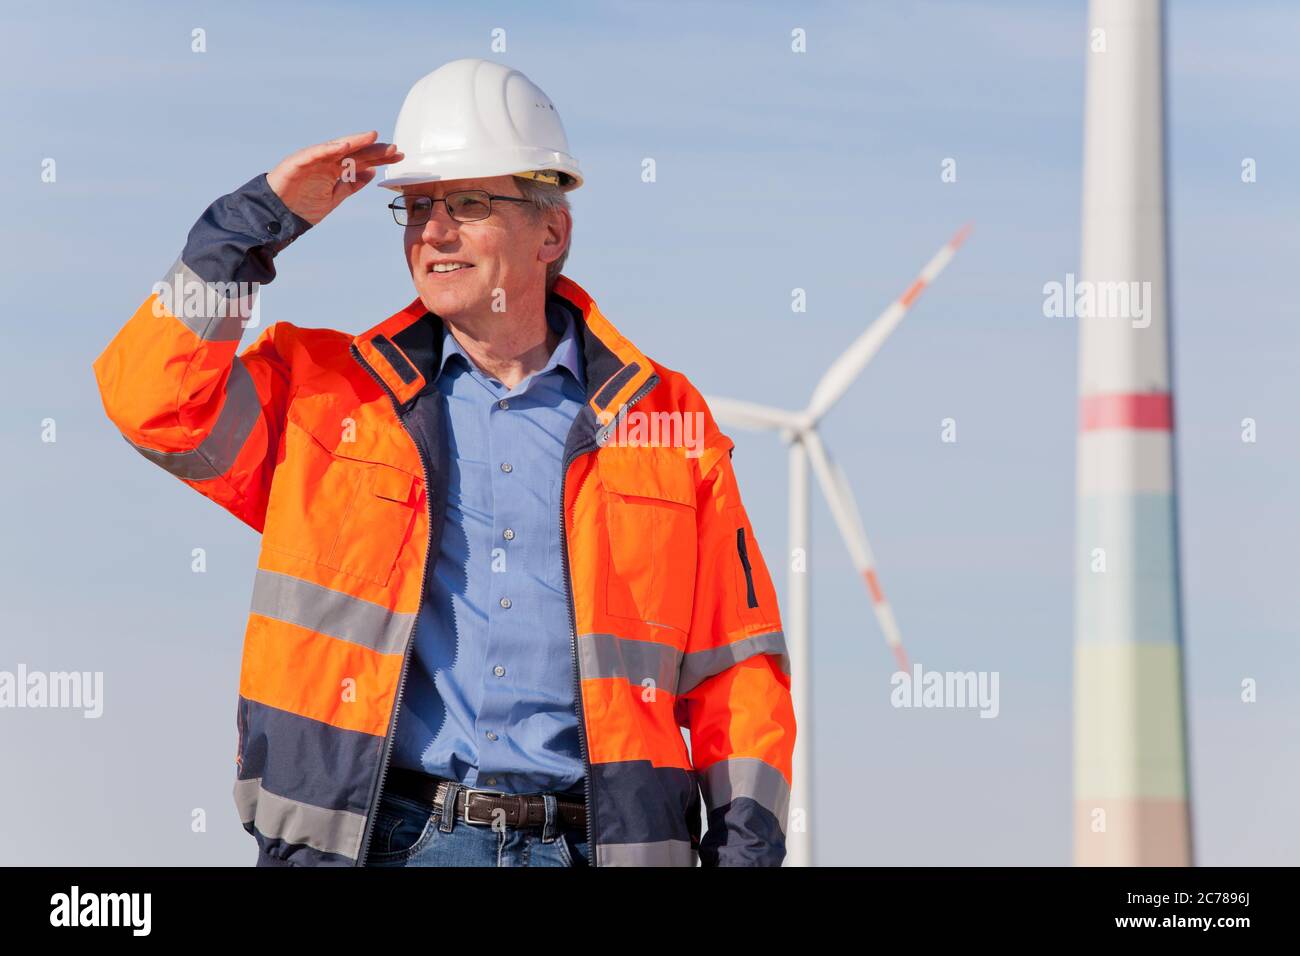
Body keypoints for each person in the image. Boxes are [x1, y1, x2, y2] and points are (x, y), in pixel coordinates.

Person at [92, 57, 795, 867]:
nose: (433, 231)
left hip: (595, 849)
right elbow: (150, 400)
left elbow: (741, 673)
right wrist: (253, 224)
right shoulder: (327, 396)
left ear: (552, 231)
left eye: (468, 203)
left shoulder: (664, 422)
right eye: (418, 206)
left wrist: (744, 858)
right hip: (380, 842)